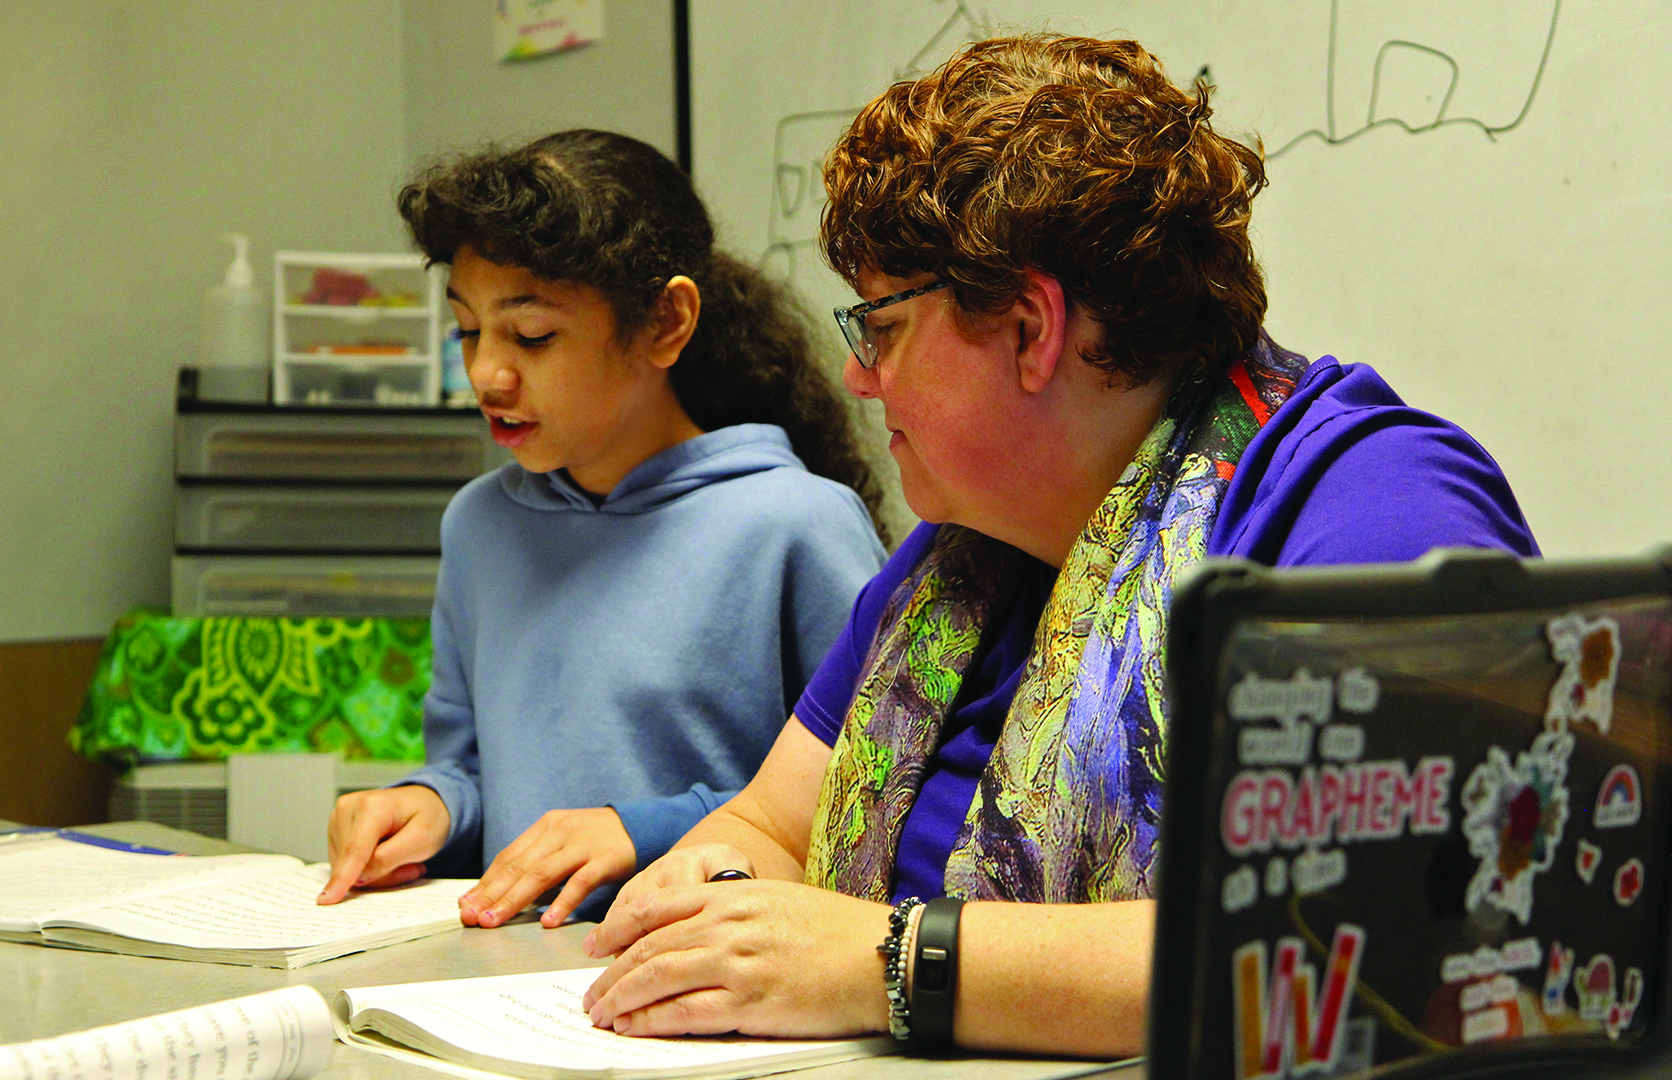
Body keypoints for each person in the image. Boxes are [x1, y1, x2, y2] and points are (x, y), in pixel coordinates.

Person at [577, 34, 1538, 1057]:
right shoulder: (962, 555)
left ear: (1033, 327)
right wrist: (720, 894)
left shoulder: (1374, 505)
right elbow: (769, 827)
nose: (859, 377)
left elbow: (1385, 942)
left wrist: (888, 962)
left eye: (884, 329)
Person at [317, 130, 891, 930]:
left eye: (532, 335)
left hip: (717, 969)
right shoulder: (480, 525)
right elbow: (474, 773)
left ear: (665, 322)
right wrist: (429, 804)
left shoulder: (794, 524)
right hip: (510, 973)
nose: (486, 374)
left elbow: (876, 793)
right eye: (468, 330)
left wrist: (643, 829)